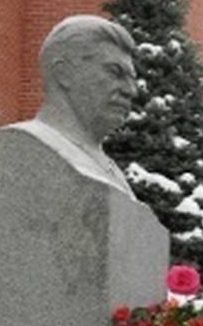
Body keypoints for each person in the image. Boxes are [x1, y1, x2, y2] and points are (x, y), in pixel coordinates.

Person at [25, 15, 138, 197]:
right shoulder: (26, 148)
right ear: (64, 73)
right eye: (115, 72)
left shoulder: (115, 175)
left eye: (133, 79)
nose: (131, 90)